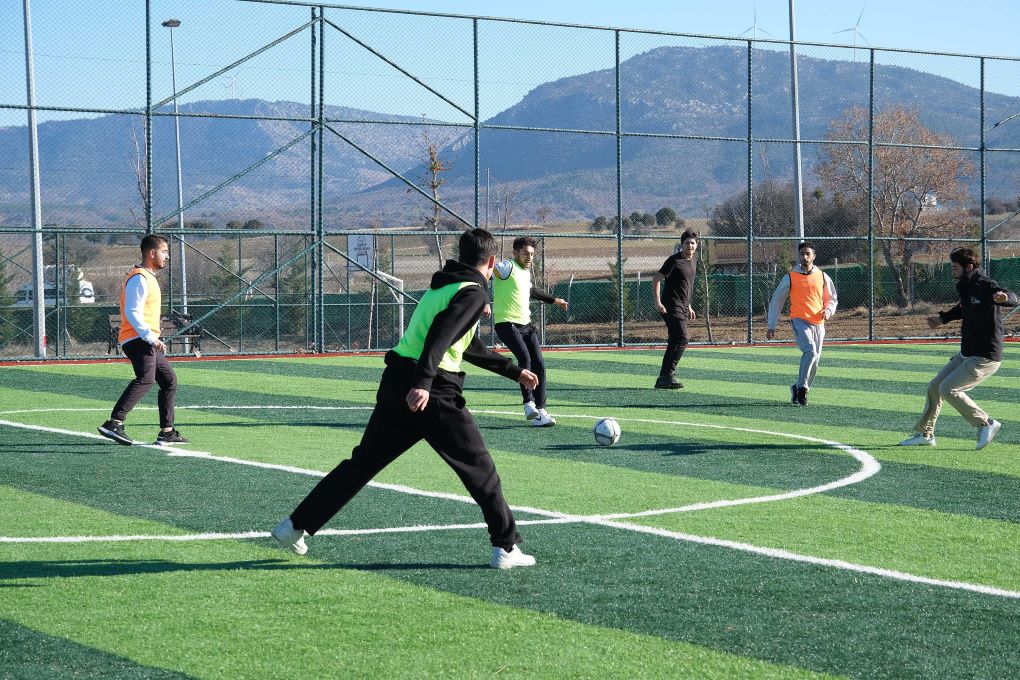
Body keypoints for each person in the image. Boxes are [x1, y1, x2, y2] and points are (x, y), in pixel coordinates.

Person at [271, 228, 540, 569]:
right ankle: (506, 547)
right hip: (433, 389)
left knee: (363, 463)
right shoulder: (472, 293)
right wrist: (425, 383)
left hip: (398, 379)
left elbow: (466, 345)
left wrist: (514, 371)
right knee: (480, 468)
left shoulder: (444, 285)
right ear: (490, 261)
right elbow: (440, 337)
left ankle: (294, 526)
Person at [898, 247, 1017, 449]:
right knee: (935, 387)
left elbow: (1011, 296)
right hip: (967, 353)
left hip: (985, 356)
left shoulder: (984, 284)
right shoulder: (966, 286)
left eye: (955, 267)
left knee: (949, 389)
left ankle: (986, 423)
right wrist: (942, 318)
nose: (952, 270)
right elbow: (964, 307)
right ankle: (926, 434)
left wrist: (1005, 299)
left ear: (968, 267)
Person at [98, 234, 188, 446]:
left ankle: (166, 431)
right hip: (138, 339)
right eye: (164, 251)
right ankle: (114, 423)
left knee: (168, 381)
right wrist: (149, 336)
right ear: (151, 253)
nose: (167, 256)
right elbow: (132, 310)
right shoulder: (139, 277)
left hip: (144, 339)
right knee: (146, 379)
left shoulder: (148, 277)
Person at [489, 236, 568, 427]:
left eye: (532, 254)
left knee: (539, 364)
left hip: (526, 325)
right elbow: (484, 274)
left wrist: (554, 300)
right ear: (516, 252)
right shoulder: (506, 267)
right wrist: (483, 301)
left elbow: (531, 291)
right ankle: (528, 403)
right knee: (525, 359)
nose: (529, 257)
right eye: (525, 253)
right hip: (507, 323)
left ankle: (541, 411)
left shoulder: (525, 272)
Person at [766, 242, 838, 406]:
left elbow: (831, 299)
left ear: (814, 256)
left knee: (815, 360)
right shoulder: (791, 276)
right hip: (799, 320)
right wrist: (772, 325)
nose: (804, 257)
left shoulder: (822, 276)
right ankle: (803, 389)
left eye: (807, 254)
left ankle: (798, 388)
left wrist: (828, 311)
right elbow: (777, 300)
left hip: (818, 322)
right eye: (802, 254)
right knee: (810, 352)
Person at [651, 229, 698, 389]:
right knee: (682, 338)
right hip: (670, 305)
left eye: (692, 243)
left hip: (683, 306)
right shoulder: (674, 260)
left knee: (674, 341)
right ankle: (668, 375)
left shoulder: (693, 260)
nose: (690, 246)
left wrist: (689, 305)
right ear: (682, 244)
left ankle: (663, 378)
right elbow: (656, 279)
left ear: (696, 245)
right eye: (687, 243)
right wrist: (658, 302)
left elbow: (686, 286)